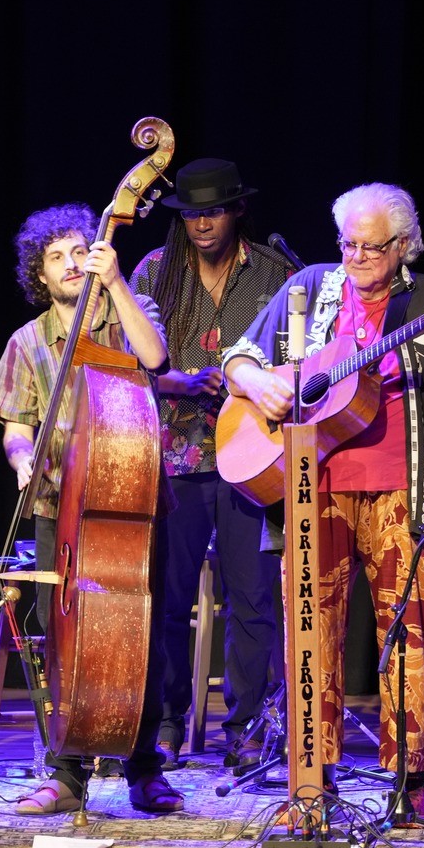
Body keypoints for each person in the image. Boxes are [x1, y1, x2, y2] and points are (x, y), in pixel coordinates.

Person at [222, 182, 424, 822]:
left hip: (401, 491)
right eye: (348, 244)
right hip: (313, 488)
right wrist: (259, 384)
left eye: (372, 246)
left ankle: (413, 780)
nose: (357, 257)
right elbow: (238, 357)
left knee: (415, 633)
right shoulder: (308, 287)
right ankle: (313, 780)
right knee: (311, 635)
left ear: (403, 245)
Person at [0, 203, 180, 816]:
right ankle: (66, 773)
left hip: (134, 500)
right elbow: (17, 427)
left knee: (142, 637)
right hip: (57, 507)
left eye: (79, 251)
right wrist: (21, 456)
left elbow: (155, 358)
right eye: (56, 257)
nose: (71, 264)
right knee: (62, 640)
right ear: (39, 273)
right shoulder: (26, 341)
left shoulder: (129, 310)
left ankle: (143, 767)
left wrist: (117, 283)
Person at [129, 158, 296, 767]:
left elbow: (300, 359)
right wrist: (176, 381)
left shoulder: (277, 273)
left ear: (237, 210)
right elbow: (126, 359)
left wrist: (254, 382)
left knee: (252, 597)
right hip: (177, 458)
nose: (202, 224)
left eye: (214, 212)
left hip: (254, 454)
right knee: (169, 600)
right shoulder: (154, 271)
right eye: (192, 214)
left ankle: (246, 729)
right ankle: (167, 723)